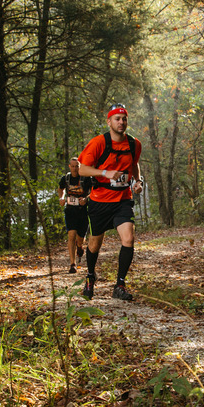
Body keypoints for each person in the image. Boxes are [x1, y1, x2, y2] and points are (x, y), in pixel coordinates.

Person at [77, 103, 144, 301]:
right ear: (109, 122)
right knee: (94, 245)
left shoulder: (134, 144)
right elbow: (82, 169)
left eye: (124, 119)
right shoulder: (98, 143)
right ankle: (90, 277)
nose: (121, 122)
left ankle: (120, 285)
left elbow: (134, 165)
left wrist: (137, 181)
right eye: (117, 119)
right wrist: (104, 173)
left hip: (123, 200)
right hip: (99, 201)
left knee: (128, 239)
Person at [58, 157, 92, 274]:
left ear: (79, 166)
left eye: (76, 166)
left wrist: (86, 199)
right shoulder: (66, 178)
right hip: (70, 211)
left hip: (82, 211)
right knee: (71, 235)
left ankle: (79, 246)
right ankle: (72, 264)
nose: (74, 168)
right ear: (69, 166)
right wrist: (61, 198)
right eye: (72, 166)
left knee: (80, 238)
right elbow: (61, 189)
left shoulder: (85, 178)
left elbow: (93, 192)